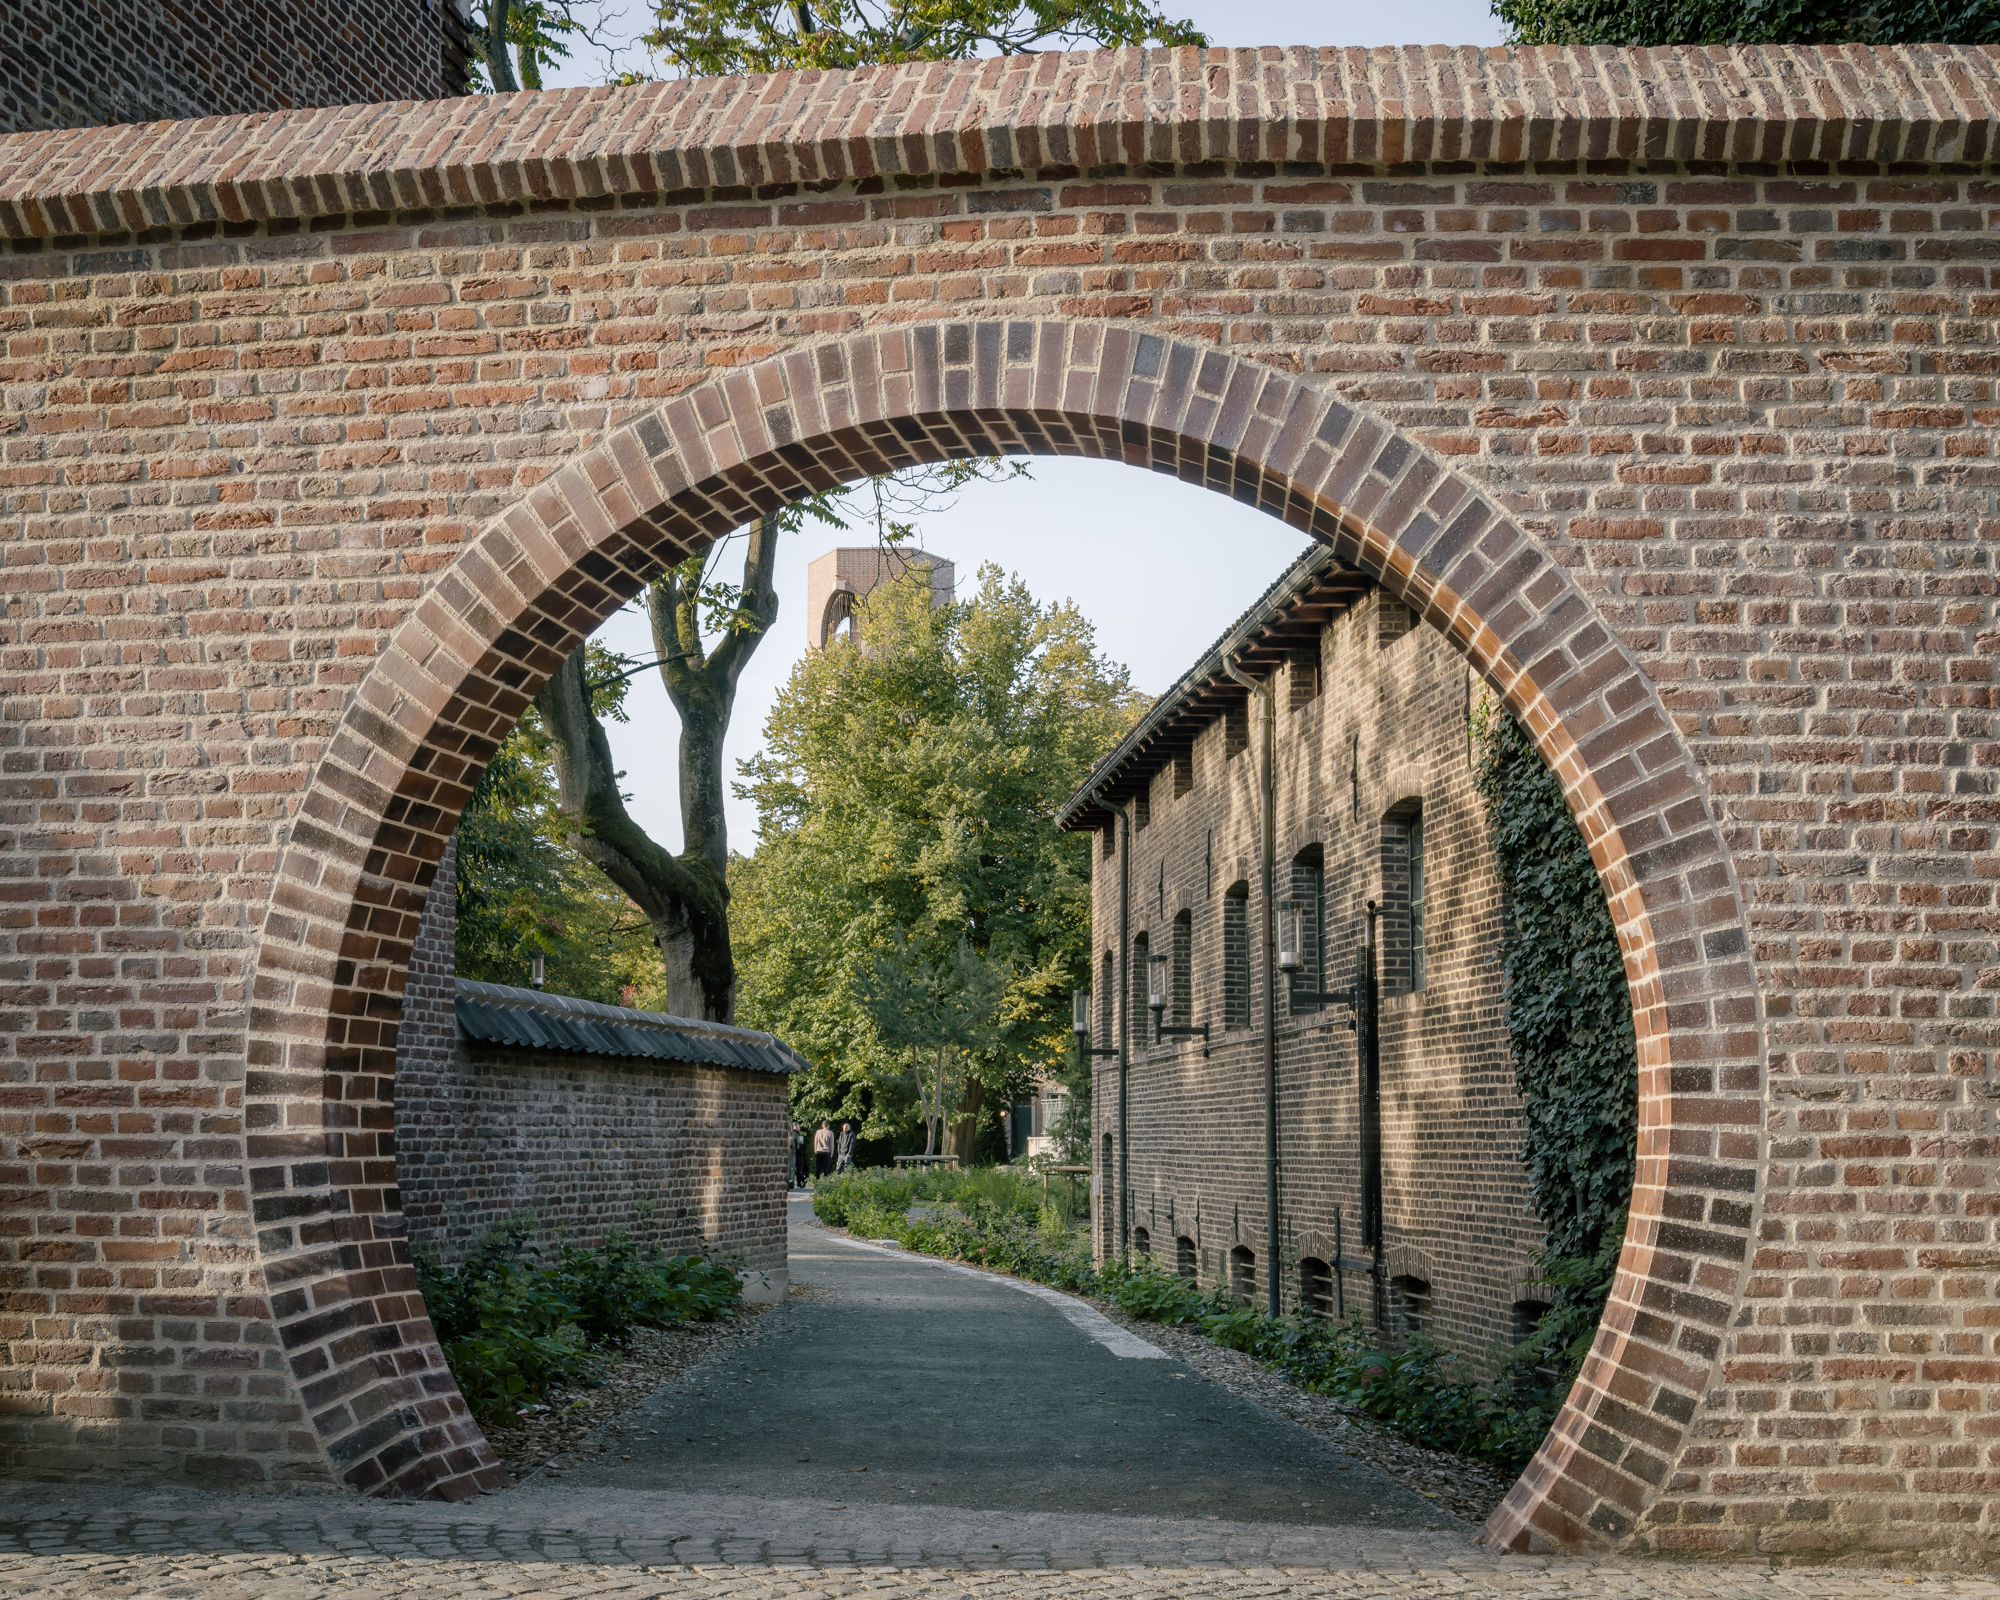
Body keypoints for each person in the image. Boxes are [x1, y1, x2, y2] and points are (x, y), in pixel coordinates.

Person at [790, 1120, 807, 1188]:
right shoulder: (798, 1136)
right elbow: (799, 1146)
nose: (799, 1128)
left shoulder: (790, 1135)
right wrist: (800, 1153)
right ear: (795, 1126)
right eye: (799, 1127)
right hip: (797, 1154)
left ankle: (801, 1181)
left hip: (791, 1154)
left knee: (795, 1169)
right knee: (798, 1169)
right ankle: (800, 1182)